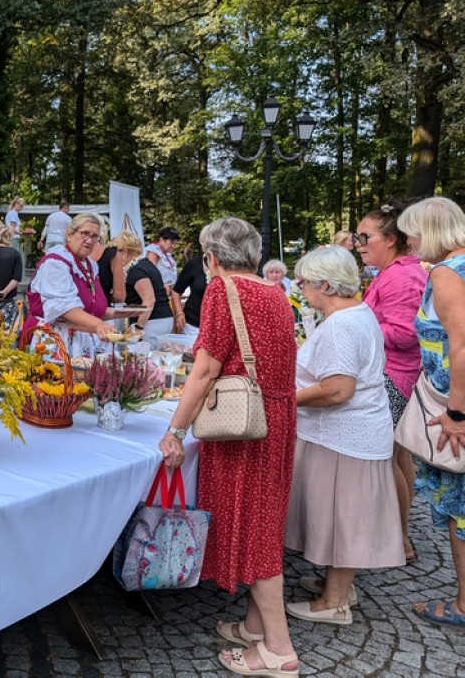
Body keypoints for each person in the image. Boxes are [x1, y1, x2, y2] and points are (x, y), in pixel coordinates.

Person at [159, 217, 299, 678]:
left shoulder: (224, 290)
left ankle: (278, 651)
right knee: (264, 520)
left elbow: (204, 371)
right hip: (274, 419)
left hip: (241, 427)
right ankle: (256, 626)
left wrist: (175, 432)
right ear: (256, 255)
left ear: (210, 257)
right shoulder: (276, 294)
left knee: (253, 528)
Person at [284, 245, 404, 626]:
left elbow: (338, 389)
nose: (300, 288)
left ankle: (334, 603)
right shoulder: (357, 311)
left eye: (303, 281)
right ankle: (337, 585)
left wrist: (286, 400)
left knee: (341, 518)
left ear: (324, 283)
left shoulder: (340, 324)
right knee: (342, 515)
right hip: (355, 433)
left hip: (345, 435)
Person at [396, 197, 465, 630]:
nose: (409, 242)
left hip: (454, 409)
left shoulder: (447, 273)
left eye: (413, 233)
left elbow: (461, 345)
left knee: (461, 507)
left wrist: (457, 413)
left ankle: (463, 603)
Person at [355, 202, 428, 563]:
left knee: (385, 460)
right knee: (398, 457)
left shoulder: (400, 275)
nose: (358, 243)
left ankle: (398, 538)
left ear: (392, 239)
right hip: (396, 374)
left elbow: (402, 334)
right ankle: (400, 537)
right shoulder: (394, 271)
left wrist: (357, 328)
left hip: (393, 377)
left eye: (365, 236)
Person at [27, 213, 127, 358]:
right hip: (56, 339)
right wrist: (99, 325)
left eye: (94, 237)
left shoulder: (90, 265)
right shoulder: (55, 263)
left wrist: (124, 313)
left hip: (82, 339)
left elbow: (90, 307)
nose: (89, 240)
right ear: (69, 235)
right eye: (85, 234)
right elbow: (65, 308)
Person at [124, 246, 174, 342]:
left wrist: (138, 328)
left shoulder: (137, 271)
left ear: (125, 252)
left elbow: (149, 299)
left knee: (142, 355)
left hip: (151, 322)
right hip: (163, 318)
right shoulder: (148, 267)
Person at [146, 227, 183, 330]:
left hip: (167, 294)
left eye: (175, 243)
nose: (173, 246)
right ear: (162, 240)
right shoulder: (153, 252)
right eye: (171, 242)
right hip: (157, 294)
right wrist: (162, 284)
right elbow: (150, 272)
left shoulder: (167, 254)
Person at [98, 229, 143, 304]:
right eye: (133, 256)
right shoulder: (118, 267)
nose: (132, 260)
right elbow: (119, 296)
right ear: (125, 253)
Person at [174, 248, 208, 336]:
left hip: (217, 325)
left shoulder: (228, 266)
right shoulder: (194, 264)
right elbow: (176, 291)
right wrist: (179, 313)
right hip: (193, 324)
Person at [6, 197, 24, 263]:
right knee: (19, 259)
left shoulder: (10, 212)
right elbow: (12, 227)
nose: (21, 208)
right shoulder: (14, 213)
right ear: (16, 204)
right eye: (21, 206)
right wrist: (20, 232)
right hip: (14, 238)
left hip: (10, 237)